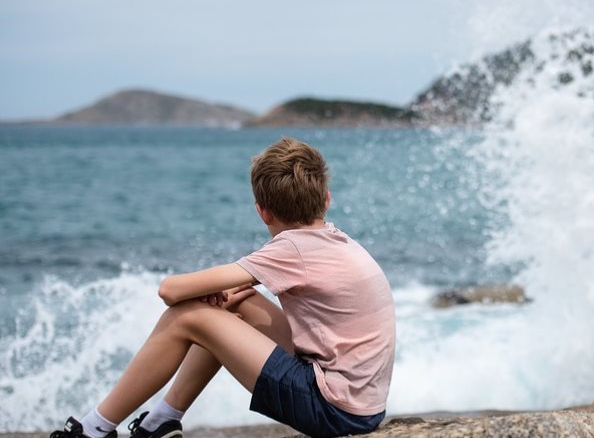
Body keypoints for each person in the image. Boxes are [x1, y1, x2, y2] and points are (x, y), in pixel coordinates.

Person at [50, 137, 396, 438]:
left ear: (262, 212)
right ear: (326, 200)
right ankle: (161, 421)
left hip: (332, 409)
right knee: (236, 300)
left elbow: (170, 290)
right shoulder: (336, 239)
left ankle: (93, 429)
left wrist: (204, 299)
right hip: (362, 403)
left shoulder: (292, 248)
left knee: (189, 317)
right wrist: (225, 298)